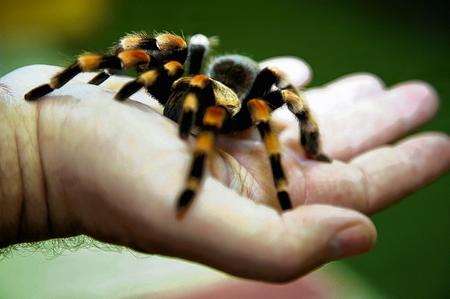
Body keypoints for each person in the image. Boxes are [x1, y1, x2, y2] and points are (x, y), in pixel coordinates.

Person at [0, 57, 448, 283]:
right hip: (202, 80)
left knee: (278, 90)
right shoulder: (179, 76)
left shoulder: (243, 107)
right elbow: (148, 61)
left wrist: (302, 148)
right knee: (175, 54)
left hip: (232, 102)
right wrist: (38, 134)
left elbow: (285, 109)